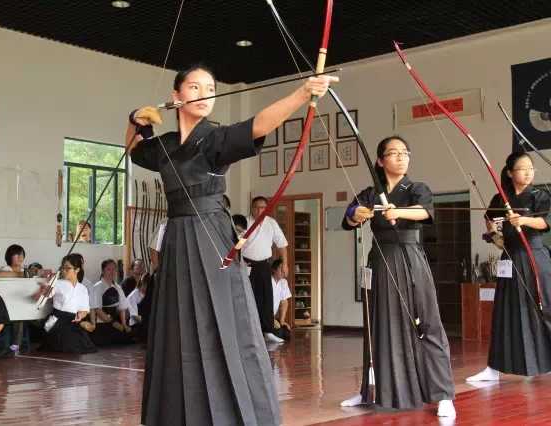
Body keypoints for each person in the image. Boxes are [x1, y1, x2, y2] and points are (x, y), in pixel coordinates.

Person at [127, 63, 337, 426]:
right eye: (194, 87)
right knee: (178, 322)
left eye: (210, 88)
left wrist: (304, 94)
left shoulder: (216, 137)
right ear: (176, 96)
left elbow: (258, 123)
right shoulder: (165, 145)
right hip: (177, 236)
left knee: (220, 318)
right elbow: (133, 151)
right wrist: (134, 120)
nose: (204, 94)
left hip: (210, 234)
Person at [341, 136, 455, 417]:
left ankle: (443, 395)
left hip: (409, 256)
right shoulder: (371, 192)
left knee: (426, 322)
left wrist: (397, 210)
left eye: (405, 152)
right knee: (375, 325)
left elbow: (424, 212)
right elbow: (347, 218)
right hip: (380, 260)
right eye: (393, 153)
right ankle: (370, 390)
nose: (401, 157)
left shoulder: (417, 188)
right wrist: (358, 213)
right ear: (380, 161)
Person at [467, 152, 551, 382]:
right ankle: (494, 368)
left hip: (534, 256)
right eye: (522, 168)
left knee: (542, 309)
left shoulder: (540, 195)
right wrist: (495, 233)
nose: (528, 172)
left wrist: (522, 220)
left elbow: (545, 221)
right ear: (510, 172)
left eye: (530, 168)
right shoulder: (501, 197)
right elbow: (489, 218)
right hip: (509, 257)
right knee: (505, 311)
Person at [243, 196, 289, 343]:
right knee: (248, 297)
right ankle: (249, 331)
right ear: (252, 208)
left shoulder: (271, 223)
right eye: (256, 207)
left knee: (266, 297)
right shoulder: (245, 222)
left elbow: (281, 245)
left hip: (263, 265)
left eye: (263, 207)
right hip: (246, 265)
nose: (259, 210)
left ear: (267, 209)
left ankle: (268, 330)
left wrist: (285, 264)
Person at [37, 254, 97, 354]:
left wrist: (80, 316)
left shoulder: (82, 288)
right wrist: (46, 289)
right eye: (63, 268)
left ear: (77, 270)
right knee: (67, 342)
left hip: (73, 320)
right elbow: (48, 294)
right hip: (56, 320)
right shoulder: (57, 283)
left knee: (83, 345)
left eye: (67, 268)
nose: (64, 271)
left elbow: (85, 309)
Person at [89, 259, 133, 345]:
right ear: (103, 271)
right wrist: (113, 323)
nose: (112, 272)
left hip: (115, 322)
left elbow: (122, 308)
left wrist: (124, 324)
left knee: (129, 337)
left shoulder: (118, 287)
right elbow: (98, 310)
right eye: (109, 269)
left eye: (114, 269)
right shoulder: (97, 287)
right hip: (102, 324)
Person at [271, 258, 292, 341]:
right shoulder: (267, 281)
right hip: (263, 317)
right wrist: (270, 319)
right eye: (280, 268)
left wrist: (282, 321)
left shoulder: (283, 282)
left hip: (272, 318)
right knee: (278, 334)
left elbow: (284, 302)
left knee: (286, 333)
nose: (283, 270)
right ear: (273, 270)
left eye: (284, 268)